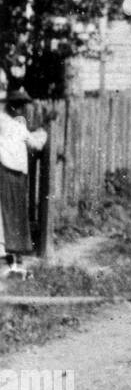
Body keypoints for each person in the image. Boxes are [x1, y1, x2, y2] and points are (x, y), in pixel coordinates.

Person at [0, 87, 48, 278]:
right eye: (18, 106)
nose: (20, 109)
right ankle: (11, 256)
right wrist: (43, 132)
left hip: (7, 172)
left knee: (6, 214)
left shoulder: (7, 123)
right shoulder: (18, 127)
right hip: (11, 174)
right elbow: (36, 143)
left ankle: (9, 255)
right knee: (13, 214)